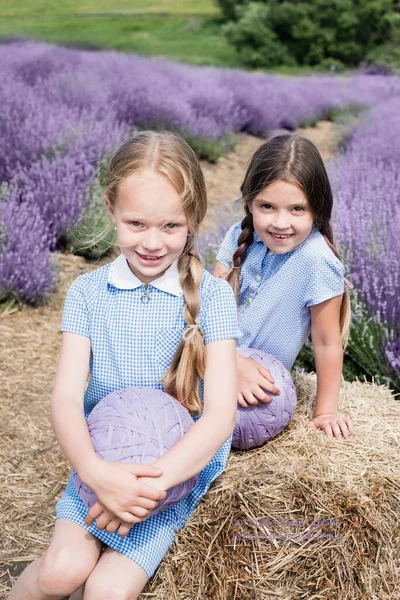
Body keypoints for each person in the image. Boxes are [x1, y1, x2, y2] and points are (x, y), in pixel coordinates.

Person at [9, 131, 239, 600]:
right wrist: (96, 474)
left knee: (107, 591)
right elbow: (68, 398)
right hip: (101, 462)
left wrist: (145, 491)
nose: (152, 242)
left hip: (172, 475)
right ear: (111, 211)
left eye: (171, 226)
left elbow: (219, 416)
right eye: (136, 223)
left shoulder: (214, 298)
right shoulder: (88, 294)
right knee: (60, 574)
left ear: (193, 219)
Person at [213, 134, 352, 440]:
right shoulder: (239, 234)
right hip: (212, 358)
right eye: (267, 206)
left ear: (317, 209)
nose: (280, 222)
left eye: (297, 209)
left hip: (259, 382)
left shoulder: (317, 260)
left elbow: (328, 342)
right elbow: (209, 312)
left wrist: (326, 412)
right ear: (250, 202)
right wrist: (230, 361)